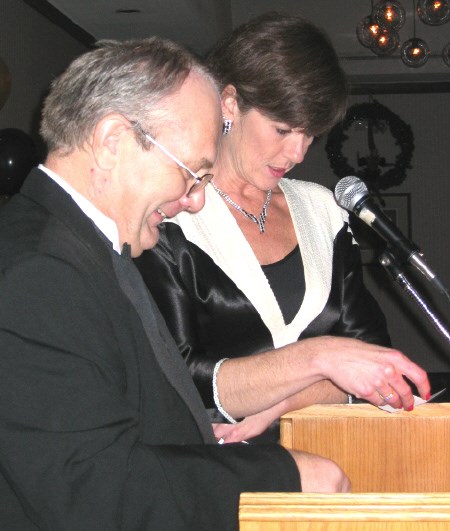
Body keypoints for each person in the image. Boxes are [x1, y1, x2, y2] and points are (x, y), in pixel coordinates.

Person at [0, 37, 355, 531]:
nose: (193, 201)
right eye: (192, 173)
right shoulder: (40, 273)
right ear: (111, 142)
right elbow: (93, 490)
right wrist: (283, 475)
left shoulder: (84, 250)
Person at [136, 12, 431, 444]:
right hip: (213, 467)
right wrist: (319, 358)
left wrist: (281, 404)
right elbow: (176, 376)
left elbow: (371, 357)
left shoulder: (323, 210)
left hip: (333, 454)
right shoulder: (172, 213)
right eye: (282, 129)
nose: (296, 151)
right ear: (230, 102)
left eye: (310, 134)